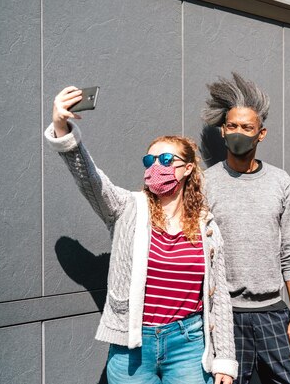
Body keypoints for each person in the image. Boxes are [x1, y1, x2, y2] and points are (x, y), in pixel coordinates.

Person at [45, 86, 237, 384]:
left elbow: (219, 296)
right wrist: (62, 127)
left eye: (164, 160)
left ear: (187, 169)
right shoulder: (127, 208)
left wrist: (224, 359)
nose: (154, 168)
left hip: (188, 343)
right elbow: (90, 180)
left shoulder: (206, 225)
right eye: (149, 161)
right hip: (132, 346)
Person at [202, 73, 290, 384]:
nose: (238, 133)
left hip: (273, 312)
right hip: (225, 315)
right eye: (232, 126)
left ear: (261, 134)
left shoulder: (280, 181)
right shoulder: (207, 183)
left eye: (246, 127)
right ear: (222, 131)